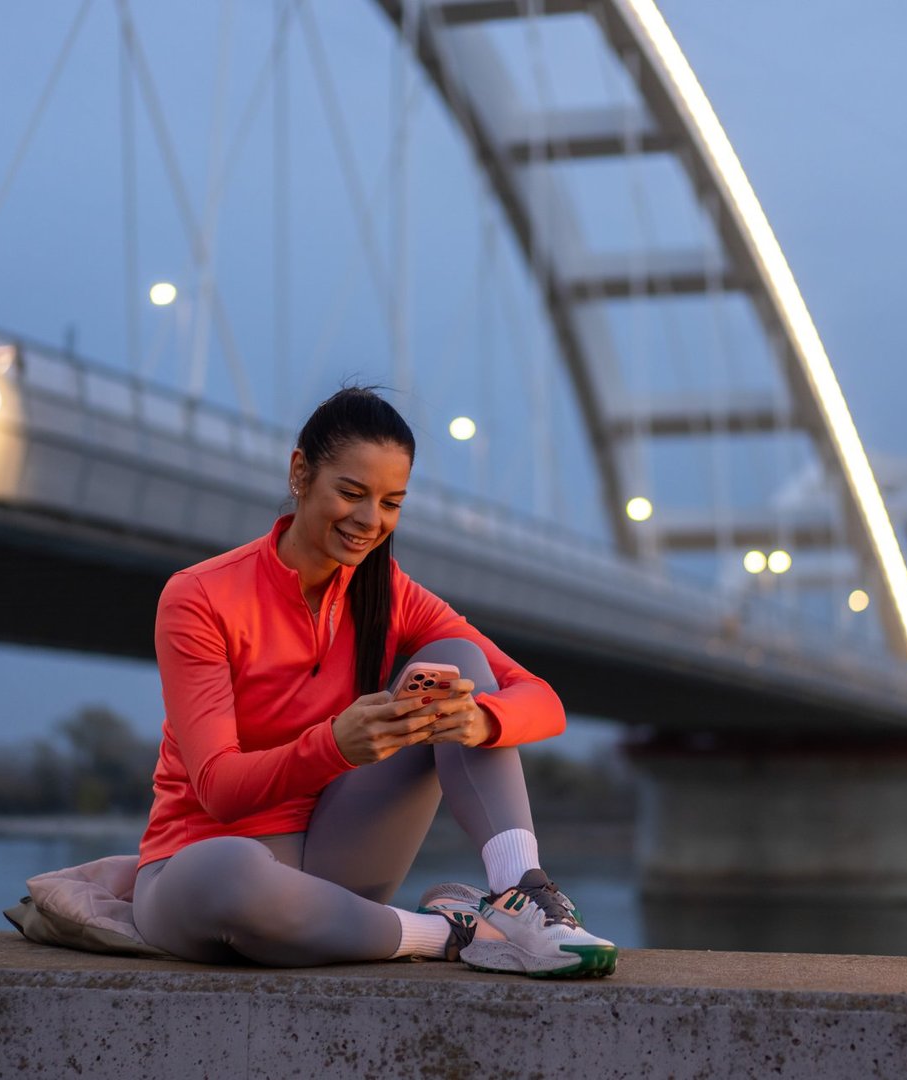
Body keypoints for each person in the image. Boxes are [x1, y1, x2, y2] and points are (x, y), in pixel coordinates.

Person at [131, 386, 617, 977]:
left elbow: (544, 700)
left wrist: (481, 719)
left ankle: (524, 898)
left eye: (392, 503)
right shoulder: (201, 596)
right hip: (203, 870)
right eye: (352, 493)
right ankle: (449, 933)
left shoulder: (391, 595)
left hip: (338, 859)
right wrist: (335, 745)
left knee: (458, 659)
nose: (370, 521)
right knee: (232, 872)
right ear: (300, 473)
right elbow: (217, 788)